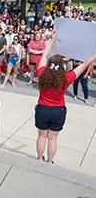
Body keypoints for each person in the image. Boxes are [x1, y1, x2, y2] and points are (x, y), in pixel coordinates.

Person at [35, 34, 96, 164]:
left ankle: (39, 159)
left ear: (50, 64)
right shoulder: (66, 77)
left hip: (42, 108)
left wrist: (52, 40)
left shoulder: (41, 74)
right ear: (61, 66)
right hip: (58, 111)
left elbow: (44, 56)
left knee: (41, 136)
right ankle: (50, 161)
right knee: (52, 139)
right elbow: (85, 63)